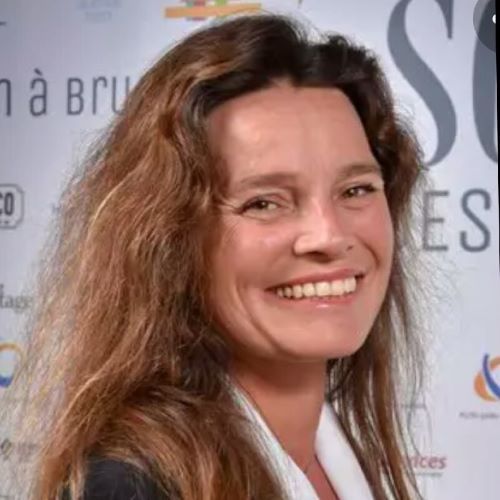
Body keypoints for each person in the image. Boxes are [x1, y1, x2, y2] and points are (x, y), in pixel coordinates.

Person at [6, 12, 427, 500]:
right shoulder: (127, 489)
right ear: (171, 239)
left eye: (356, 189)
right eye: (264, 203)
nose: (329, 236)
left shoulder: (337, 455)